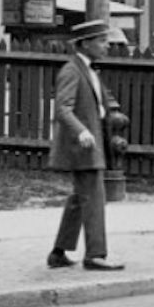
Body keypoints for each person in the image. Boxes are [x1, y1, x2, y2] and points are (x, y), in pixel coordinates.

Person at [46, 18, 123, 271]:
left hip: (92, 144)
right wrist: (81, 132)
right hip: (83, 147)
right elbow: (63, 109)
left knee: (81, 198)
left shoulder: (89, 70)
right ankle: (95, 255)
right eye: (101, 41)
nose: (106, 45)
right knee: (94, 199)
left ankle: (58, 252)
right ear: (85, 44)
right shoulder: (72, 70)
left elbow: (99, 104)